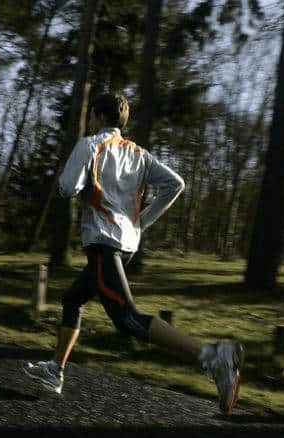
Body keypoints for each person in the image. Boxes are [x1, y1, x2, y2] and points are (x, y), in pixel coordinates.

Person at [22, 93, 245, 414]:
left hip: (103, 244)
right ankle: (54, 371)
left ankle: (214, 356)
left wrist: (74, 181)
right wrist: (141, 222)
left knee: (127, 320)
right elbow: (176, 184)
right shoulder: (139, 154)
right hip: (125, 245)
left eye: (91, 116)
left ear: (98, 117)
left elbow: (67, 188)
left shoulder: (89, 145)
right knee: (72, 298)